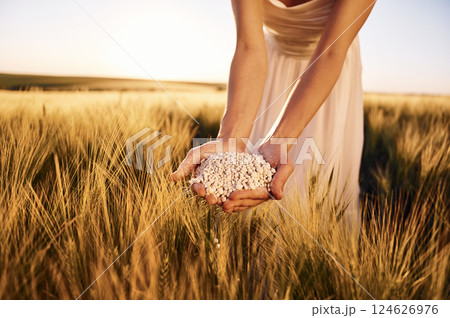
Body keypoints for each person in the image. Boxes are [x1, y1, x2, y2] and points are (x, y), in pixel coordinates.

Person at [172, 0, 375, 224]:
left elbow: (330, 52)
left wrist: (279, 139)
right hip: (267, 69)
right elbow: (250, 46)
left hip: (327, 71)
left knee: (319, 189)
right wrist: (231, 137)